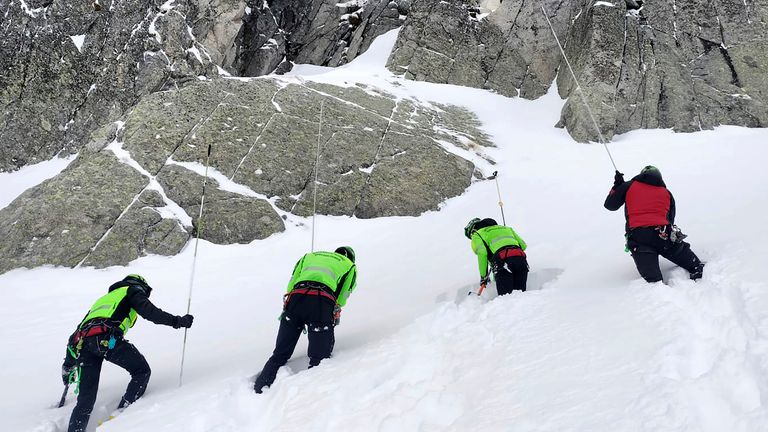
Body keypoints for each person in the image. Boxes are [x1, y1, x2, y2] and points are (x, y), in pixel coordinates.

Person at [62, 274, 194, 432]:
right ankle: (123, 417)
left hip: (83, 346)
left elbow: (76, 335)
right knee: (141, 371)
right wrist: (178, 321)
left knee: (85, 400)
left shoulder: (103, 300)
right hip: (107, 340)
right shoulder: (132, 290)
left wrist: (68, 365)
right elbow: (150, 312)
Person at [253, 246, 357, 393]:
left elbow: (291, 283)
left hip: (296, 299)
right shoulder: (350, 265)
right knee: (320, 360)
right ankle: (308, 400)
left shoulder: (309, 256)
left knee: (280, 354)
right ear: (351, 257)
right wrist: (335, 310)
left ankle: (259, 390)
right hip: (321, 303)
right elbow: (343, 295)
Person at [604, 166, 704, 283]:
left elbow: (610, 205)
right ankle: (697, 269)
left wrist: (618, 186)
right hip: (663, 234)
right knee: (694, 265)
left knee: (653, 281)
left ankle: (657, 287)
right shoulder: (666, 193)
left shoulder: (629, 186)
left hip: (639, 237)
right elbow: (670, 218)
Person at [464, 218, 528, 295]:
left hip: (502, 263)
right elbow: (523, 246)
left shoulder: (477, 234)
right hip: (521, 260)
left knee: (506, 298)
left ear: (473, 230)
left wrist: (483, 277)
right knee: (520, 295)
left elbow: (482, 254)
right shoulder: (507, 229)